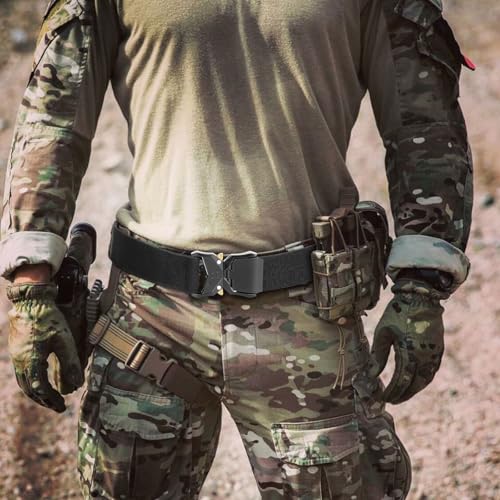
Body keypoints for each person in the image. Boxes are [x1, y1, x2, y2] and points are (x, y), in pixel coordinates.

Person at [0, 0, 474, 498]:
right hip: (150, 318)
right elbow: (53, 120)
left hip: (308, 314)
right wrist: (31, 286)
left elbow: (424, 127)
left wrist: (422, 287)